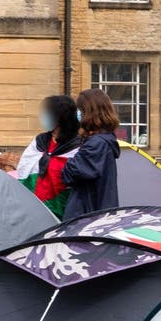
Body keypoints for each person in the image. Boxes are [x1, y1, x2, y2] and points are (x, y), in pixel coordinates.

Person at [62, 88, 121, 221]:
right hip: (95, 213)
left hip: (86, 216)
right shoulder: (103, 140)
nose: (77, 114)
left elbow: (69, 174)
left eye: (79, 110)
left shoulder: (96, 144)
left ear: (87, 112)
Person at [19, 95, 81, 219]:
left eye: (46, 113)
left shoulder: (78, 146)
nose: (42, 116)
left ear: (59, 118)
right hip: (34, 206)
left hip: (63, 209)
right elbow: (24, 167)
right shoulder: (40, 141)